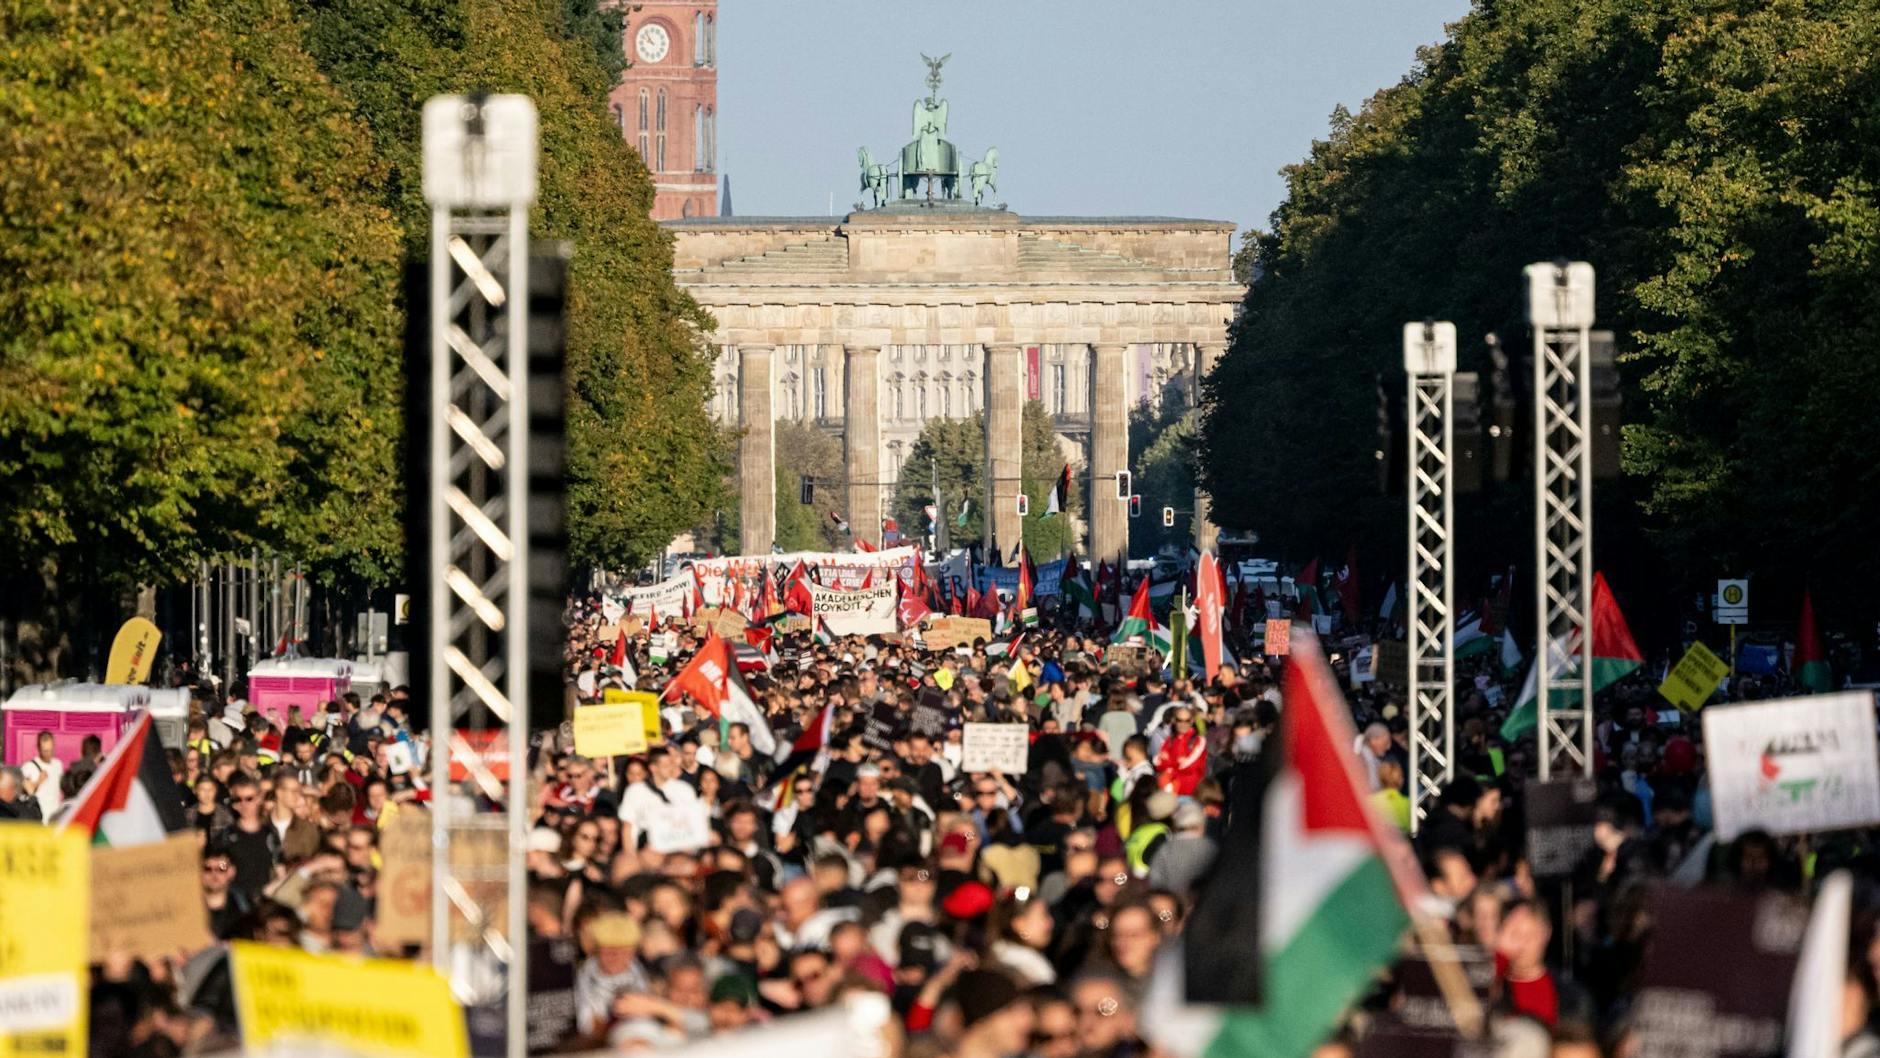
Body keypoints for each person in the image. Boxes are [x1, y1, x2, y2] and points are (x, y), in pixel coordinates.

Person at [20, 731, 64, 819]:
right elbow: (21, 794)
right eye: (45, 751)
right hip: (38, 818)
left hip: (54, 818)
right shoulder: (28, 767)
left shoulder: (58, 764)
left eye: (51, 750)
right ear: (39, 748)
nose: (49, 754)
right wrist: (39, 781)